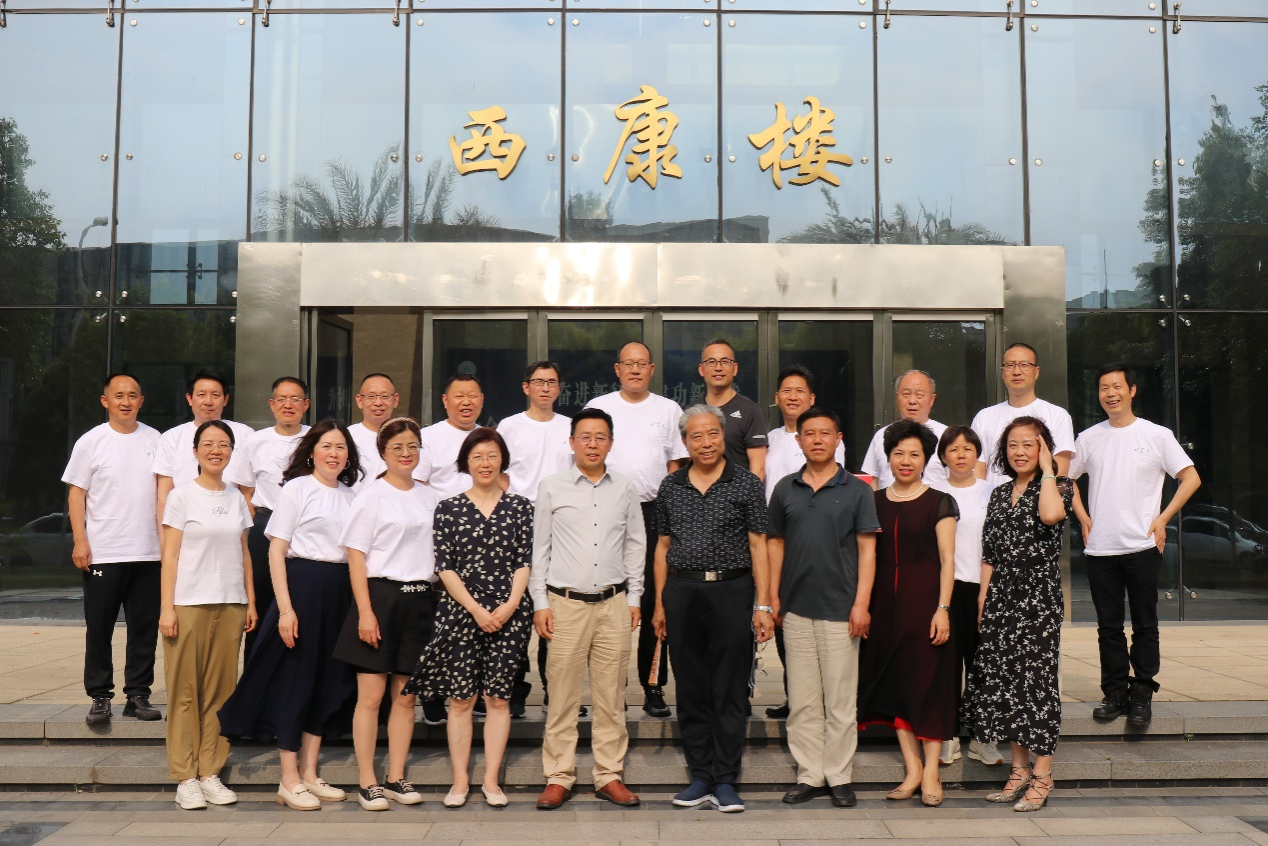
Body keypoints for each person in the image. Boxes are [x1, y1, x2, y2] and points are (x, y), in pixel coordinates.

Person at [217, 420, 361, 811]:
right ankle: (289, 778)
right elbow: (276, 551)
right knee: (295, 682)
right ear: (311, 452)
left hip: (339, 593)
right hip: (303, 588)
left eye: (341, 447)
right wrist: (285, 609)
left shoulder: (352, 496)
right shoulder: (297, 489)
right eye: (326, 446)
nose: (334, 454)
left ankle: (310, 772)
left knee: (327, 682)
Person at [652, 404, 773, 814]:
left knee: (729, 686)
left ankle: (725, 779)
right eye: (696, 436)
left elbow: (758, 544)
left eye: (712, 434)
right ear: (685, 442)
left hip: (731, 590)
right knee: (690, 686)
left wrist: (762, 604)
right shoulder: (671, 486)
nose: (705, 443)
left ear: (723, 436)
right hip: (682, 591)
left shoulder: (746, 483)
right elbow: (662, 547)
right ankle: (700, 775)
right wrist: (660, 603)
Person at [405, 428, 533, 809]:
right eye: (477, 456)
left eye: (492, 455)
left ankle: (491, 780)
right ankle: (460, 780)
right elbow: (444, 567)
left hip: (509, 613)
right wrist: (476, 609)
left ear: (502, 460)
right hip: (461, 613)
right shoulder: (448, 508)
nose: (485, 463)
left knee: (498, 698)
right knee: (461, 699)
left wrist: (511, 604)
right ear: (466, 462)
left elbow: (524, 560)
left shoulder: (521, 507)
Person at [1069, 364, 1200, 728]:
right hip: (1101, 549)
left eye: (1117, 386)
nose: (1110, 393)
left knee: (1145, 624)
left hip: (1142, 547)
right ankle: (1114, 693)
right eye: (1103, 388)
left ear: (1132, 390)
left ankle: (1141, 693)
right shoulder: (1089, 438)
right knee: (1108, 627)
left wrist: (1163, 518)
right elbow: (1066, 479)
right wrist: (1082, 517)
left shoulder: (1156, 435)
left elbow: (1190, 478)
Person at [530, 408, 645, 811]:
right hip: (565, 606)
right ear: (572, 442)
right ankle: (558, 776)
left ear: (610, 443)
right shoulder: (552, 487)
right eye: (585, 437)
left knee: (611, 697)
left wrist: (634, 598)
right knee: (562, 696)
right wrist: (540, 602)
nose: (592, 444)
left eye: (600, 437)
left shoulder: (625, 487)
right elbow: (540, 549)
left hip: (613, 605)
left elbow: (635, 544)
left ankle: (609, 774)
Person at [767, 407, 878, 809]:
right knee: (803, 700)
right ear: (798, 440)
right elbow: (775, 543)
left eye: (825, 433)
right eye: (809, 433)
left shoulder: (857, 490)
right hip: (796, 609)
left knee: (840, 702)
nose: (816, 440)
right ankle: (809, 775)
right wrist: (773, 596)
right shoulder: (785, 488)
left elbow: (868, 551)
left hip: (841, 610)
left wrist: (861, 603)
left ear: (838, 438)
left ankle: (839, 776)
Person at [961, 417, 1073, 813]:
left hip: (1038, 596)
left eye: (1029, 444)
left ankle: (1043, 774)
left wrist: (1047, 470)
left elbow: (1050, 516)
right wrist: (983, 599)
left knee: (1037, 683)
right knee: (1007, 682)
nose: (1019, 451)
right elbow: (989, 552)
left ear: (1043, 448)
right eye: (1012, 444)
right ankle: (1019, 770)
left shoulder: (1061, 486)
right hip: (1001, 596)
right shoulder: (999, 493)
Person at [332, 417, 439, 811]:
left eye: (412, 446)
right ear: (382, 453)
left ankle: (396, 777)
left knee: (406, 697)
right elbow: (355, 557)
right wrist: (365, 611)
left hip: (420, 601)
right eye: (397, 447)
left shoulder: (430, 496)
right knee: (371, 697)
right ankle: (367, 781)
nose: (406, 454)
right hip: (380, 598)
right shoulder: (371, 496)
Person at [857, 419, 958, 808]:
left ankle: (932, 771)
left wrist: (943, 608)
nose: (906, 460)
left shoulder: (939, 501)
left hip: (926, 605)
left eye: (914, 454)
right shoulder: (873, 501)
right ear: (888, 457)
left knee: (929, 684)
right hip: (885, 607)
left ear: (925, 459)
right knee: (896, 682)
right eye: (898, 453)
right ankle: (912, 768)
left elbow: (948, 561)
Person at [158, 420, 257, 809]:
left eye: (224, 444)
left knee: (221, 692)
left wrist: (250, 601)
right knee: (184, 692)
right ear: (195, 451)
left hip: (230, 603)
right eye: (209, 444)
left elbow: (244, 553)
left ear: (231, 451)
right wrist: (167, 607)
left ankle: (210, 772)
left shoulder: (236, 498)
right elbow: (170, 555)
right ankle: (185, 777)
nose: (216, 450)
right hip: (189, 604)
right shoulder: (181, 496)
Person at [587, 342, 688, 718]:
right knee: (609, 600)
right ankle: (610, 689)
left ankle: (653, 685)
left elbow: (676, 464)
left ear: (651, 369)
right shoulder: (599, 407)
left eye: (641, 364)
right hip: (606, 511)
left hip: (654, 512)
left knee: (654, 601)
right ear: (617, 369)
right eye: (628, 363)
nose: (634, 369)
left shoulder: (668, 409)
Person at [63, 373, 164, 725]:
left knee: (144, 629)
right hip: (104, 551)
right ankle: (100, 696)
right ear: (105, 401)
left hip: (149, 552)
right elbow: (76, 493)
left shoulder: (156, 440)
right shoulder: (91, 442)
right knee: (100, 627)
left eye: (132, 395)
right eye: (118, 395)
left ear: (141, 401)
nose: (126, 401)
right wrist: (80, 540)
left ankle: (138, 694)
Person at [762, 364, 845, 719]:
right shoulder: (768, 439)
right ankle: (793, 693)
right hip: (778, 538)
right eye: (787, 390)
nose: (792, 396)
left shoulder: (826, 438)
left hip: (818, 540)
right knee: (782, 615)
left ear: (812, 398)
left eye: (800, 391)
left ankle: (823, 696)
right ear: (777, 398)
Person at [498, 360, 574, 718]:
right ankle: (514, 690)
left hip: (560, 524)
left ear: (559, 388)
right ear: (526, 387)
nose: (545, 388)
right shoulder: (509, 426)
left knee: (553, 607)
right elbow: (498, 472)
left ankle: (552, 692)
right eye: (539, 382)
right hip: (518, 520)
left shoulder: (570, 426)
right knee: (515, 607)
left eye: (552, 382)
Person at [928, 425, 1003, 767]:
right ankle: (947, 736)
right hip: (946, 589)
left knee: (983, 665)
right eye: (954, 449)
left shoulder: (993, 492)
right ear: (943, 456)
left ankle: (983, 739)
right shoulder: (932, 493)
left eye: (968, 449)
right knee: (945, 666)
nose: (961, 455)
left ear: (977, 454)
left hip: (984, 588)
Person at [231, 376, 310, 659]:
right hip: (265, 525)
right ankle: (256, 669)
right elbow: (245, 491)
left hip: (305, 527)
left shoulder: (316, 439)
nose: (288, 405)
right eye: (282, 399)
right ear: (272, 404)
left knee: (300, 601)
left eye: (295, 399)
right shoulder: (255, 441)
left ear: (306, 404)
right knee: (262, 602)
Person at [153, 371, 254, 529]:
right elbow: (164, 497)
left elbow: (248, 494)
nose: (208, 402)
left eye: (215, 395)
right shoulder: (171, 437)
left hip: (231, 527)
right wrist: (165, 540)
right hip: (183, 528)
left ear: (226, 399)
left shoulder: (245, 435)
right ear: (189, 399)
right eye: (201, 395)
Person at [972, 343, 1076, 487]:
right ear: (1002, 372)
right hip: (993, 499)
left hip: (1041, 500)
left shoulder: (1058, 415)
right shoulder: (984, 417)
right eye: (1010, 365)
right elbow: (978, 467)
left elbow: (1060, 472)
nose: (1016, 371)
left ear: (1036, 372)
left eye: (1024, 365)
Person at [861, 370, 949, 489]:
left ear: (932, 399)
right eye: (906, 394)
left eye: (919, 395)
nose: (912, 401)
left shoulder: (946, 436)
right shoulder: (882, 435)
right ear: (897, 397)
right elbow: (874, 480)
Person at [699, 338, 766, 478]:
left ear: (735, 369)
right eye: (711, 362)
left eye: (725, 361)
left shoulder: (750, 411)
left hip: (739, 491)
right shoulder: (692, 412)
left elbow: (758, 469)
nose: (718, 368)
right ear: (701, 369)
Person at [417, 374, 484, 500]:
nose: (466, 402)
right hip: (440, 511)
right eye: (459, 396)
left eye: (472, 396)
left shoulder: (489, 438)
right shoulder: (426, 437)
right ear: (445, 400)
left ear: (482, 399)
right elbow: (416, 485)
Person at [348, 374, 400, 492]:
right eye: (371, 397)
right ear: (359, 400)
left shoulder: (407, 438)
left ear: (395, 400)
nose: (378, 403)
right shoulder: (346, 438)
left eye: (385, 396)